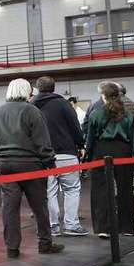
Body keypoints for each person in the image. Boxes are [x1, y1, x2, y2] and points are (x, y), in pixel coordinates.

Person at [0, 78, 64, 258]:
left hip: (4, 165)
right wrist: (50, 163)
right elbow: (42, 142)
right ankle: (45, 243)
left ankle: (12, 248)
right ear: (27, 92)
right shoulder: (32, 111)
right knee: (39, 206)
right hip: (30, 164)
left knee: (9, 208)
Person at [31, 77, 88, 236]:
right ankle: (71, 225)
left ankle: (53, 227)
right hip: (66, 153)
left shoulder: (32, 105)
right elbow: (75, 126)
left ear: (37, 88)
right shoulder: (63, 103)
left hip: (42, 156)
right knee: (71, 189)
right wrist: (81, 144)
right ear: (54, 87)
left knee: (49, 192)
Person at [85, 81, 134, 237]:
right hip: (123, 151)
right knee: (125, 189)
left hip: (102, 151)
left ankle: (103, 227)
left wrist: (88, 154)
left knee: (100, 190)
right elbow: (133, 137)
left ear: (103, 95)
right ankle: (127, 227)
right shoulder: (127, 115)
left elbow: (90, 138)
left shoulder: (96, 113)